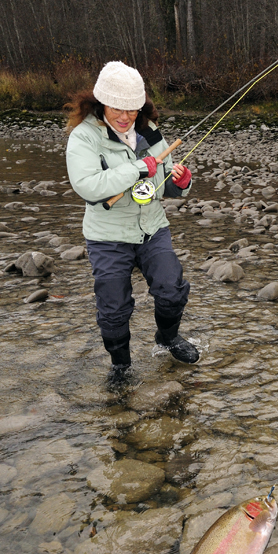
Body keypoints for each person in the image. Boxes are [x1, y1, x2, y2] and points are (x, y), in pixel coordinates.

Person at [65, 61, 199, 380]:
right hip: (107, 235)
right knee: (113, 309)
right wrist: (138, 168)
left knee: (172, 289)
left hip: (152, 227)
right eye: (117, 108)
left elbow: (163, 182)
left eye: (132, 110)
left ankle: (167, 338)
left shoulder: (148, 131)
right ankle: (121, 364)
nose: (125, 117)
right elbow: (87, 186)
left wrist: (180, 183)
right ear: (101, 103)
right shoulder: (84, 137)